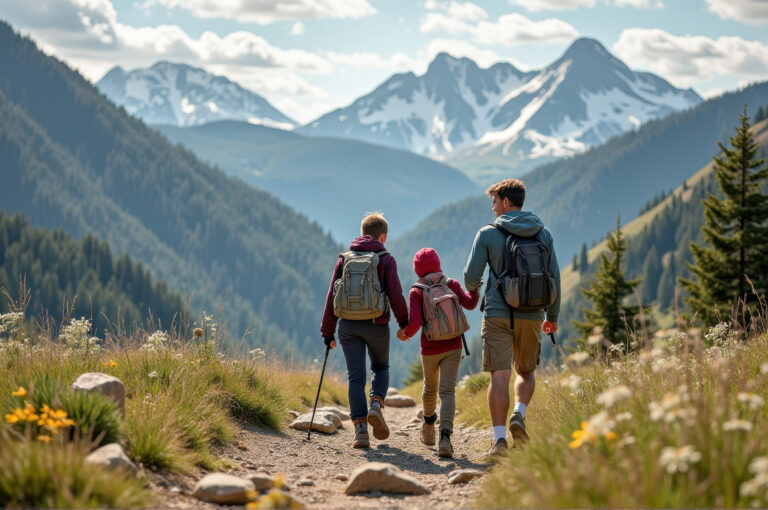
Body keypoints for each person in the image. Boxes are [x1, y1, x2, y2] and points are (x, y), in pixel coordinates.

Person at [463, 179, 561, 456]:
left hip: (497, 313)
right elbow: (555, 276)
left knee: (500, 375)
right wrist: (552, 315)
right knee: (526, 372)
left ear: (506, 202)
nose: (493, 208)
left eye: (494, 202)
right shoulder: (544, 234)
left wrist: (474, 290)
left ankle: (499, 441)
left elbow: (471, 277)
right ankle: (519, 412)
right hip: (532, 313)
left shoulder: (487, 234)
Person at [320, 213, 409, 449]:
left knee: (355, 378)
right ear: (383, 236)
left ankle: (360, 430)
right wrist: (404, 323)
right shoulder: (386, 259)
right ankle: (376, 405)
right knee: (380, 367)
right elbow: (396, 295)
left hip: (348, 326)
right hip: (377, 324)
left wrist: (327, 331)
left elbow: (332, 296)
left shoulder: (345, 259)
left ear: (361, 234)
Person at [397, 248, 478, 458]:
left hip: (430, 348)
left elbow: (414, 324)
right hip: (453, 346)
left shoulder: (417, 291)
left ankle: (429, 423)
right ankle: (445, 439)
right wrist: (476, 289)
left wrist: (404, 333)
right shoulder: (451, 284)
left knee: (430, 387)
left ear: (418, 270)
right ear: (438, 264)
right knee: (448, 391)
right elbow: (470, 303)